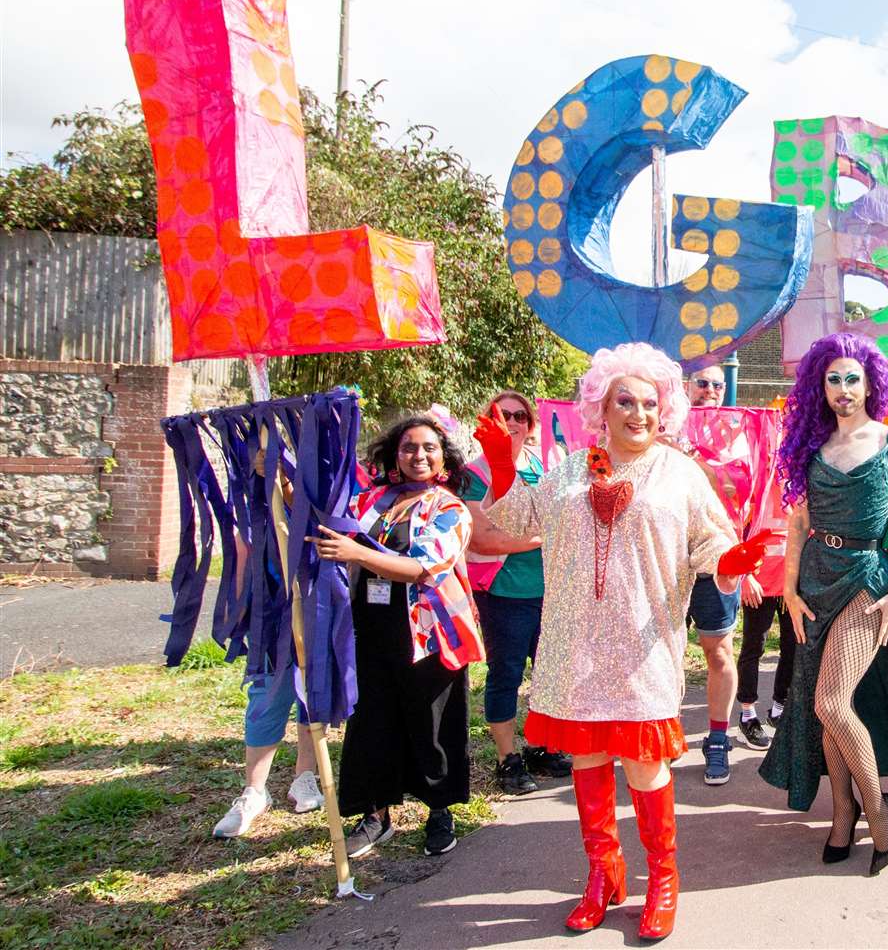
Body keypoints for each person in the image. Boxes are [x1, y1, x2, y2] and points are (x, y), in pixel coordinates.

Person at [479, 343, 763, 939]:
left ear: (666, 412)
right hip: (572, 646)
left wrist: (731, 559)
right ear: (600, 408)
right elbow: (518, 520)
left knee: (643, 765)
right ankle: (602, 873)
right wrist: (504, 470)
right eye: (624, 401)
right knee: (587, 758)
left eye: (650, 403)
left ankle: (662, 879)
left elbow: (710, 541)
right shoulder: (569, 470)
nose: (639, 413)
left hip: (643, 646)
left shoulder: (680, 473)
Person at [760, 332, 888, 875]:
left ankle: (879, 815)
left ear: (870, 383)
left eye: (851, 378)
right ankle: (842, 815)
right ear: (821, 385)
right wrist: (788, 588)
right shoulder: (812, 443)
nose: (842, 389)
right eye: (833, 379)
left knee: (830, 703)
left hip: (866, 577)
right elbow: (799, 521)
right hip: (814, 580)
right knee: (827, 705)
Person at [310, 413, 483, 859]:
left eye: (429, 447)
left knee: (432, 725)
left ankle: (439, 812)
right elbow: (322, 516)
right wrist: (275, 475)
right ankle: (376, 814)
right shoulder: (372, 501)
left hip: (429, 632)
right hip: (371, 627)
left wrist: (355, 552)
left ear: (443, 457)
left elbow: (425, 567)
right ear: (394, 455)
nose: (418, 455)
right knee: (372, 721)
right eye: (409, 447)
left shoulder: (449, 508)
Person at [460, 390, 567, 797]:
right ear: (488, 421)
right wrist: (540, 539)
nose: (512, 422)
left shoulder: (543, 467)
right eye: (502, 415)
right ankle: (508, 758)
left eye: (520, 415)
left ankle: (542, 745)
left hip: (551, 591)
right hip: (503, 591)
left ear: (531, 422)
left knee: (549, 674)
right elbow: (481, 540)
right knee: (506, 675)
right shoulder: (475, 474)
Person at [212, 459, 324, 838]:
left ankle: (305, 777)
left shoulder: (317, 500)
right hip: (270, 617)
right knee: (266, 697)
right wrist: (236, 607)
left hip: (313, 609)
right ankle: (254, 791)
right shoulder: (251, 509)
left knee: (312, 695)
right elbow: (243, 554)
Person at [678, 364, 745, 784]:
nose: (710, 390)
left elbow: (746, 498)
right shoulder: (662, 429)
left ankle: (717, 738)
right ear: (686, 387)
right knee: (663, 655)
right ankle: (663, 731)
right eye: (701, 382)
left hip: (717, 562)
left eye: (718, 384)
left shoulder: (738, 436)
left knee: (719, 653)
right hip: (666, 563)